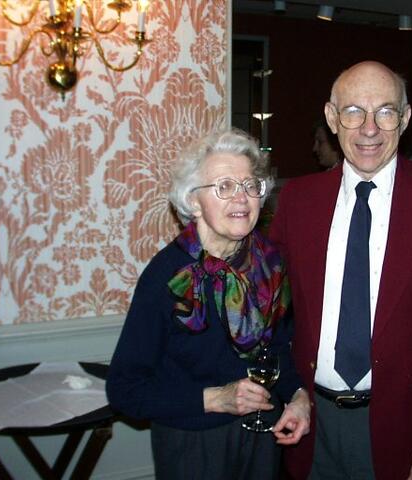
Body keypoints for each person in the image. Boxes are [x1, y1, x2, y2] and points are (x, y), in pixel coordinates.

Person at [270, 61, 412, 480]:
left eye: (385, 112)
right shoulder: (298, 200)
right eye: (353, 111)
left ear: (405, 118)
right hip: (311, 423)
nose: (369, 129)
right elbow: (267, 306)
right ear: (332, 117)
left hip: (404, 427)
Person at [106, 129, 310, 480]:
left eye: (250, 185)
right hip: (192, 442)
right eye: (224, 187)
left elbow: (278, 350)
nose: (242, 198)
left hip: (262, 433)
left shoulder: (269, 263)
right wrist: (215, 399)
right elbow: (125, 390)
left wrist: (297, 395)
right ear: (194, 202)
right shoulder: (167, 277)